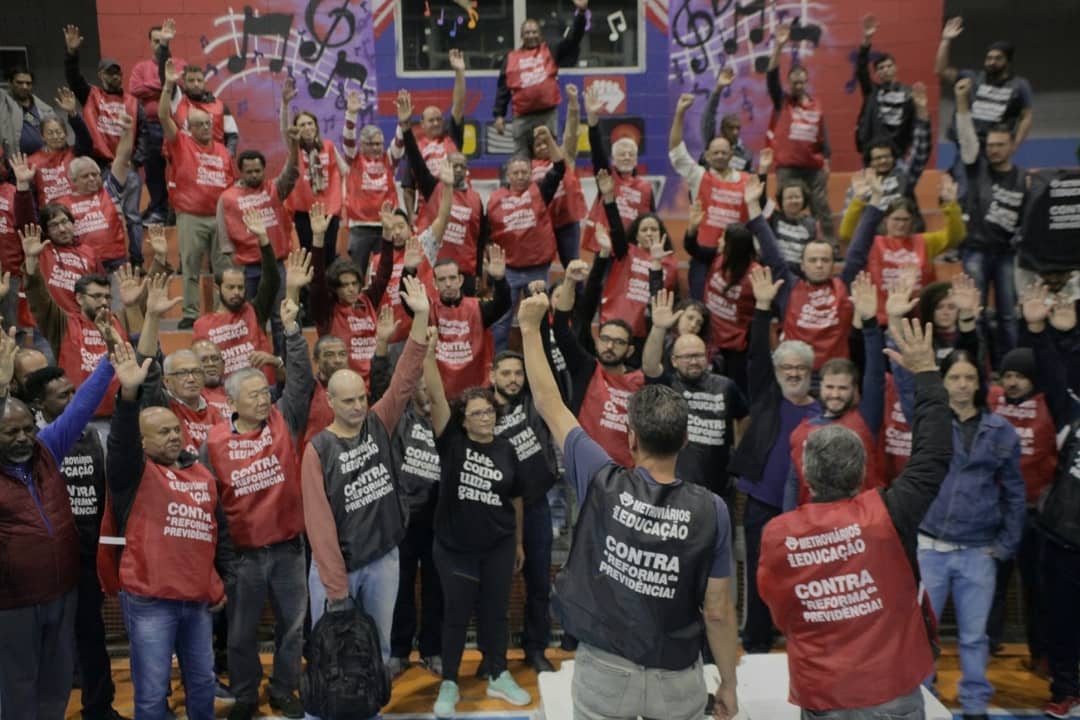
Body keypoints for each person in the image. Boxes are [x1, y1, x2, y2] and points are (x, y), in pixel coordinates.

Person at [519, 291, 740, 720]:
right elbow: (717, 611)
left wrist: (530, 328)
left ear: (632, 438)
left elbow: (549, 403)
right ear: (685, 440)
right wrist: (728, 684)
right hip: (676, 675)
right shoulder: (713, 510)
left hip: (605, 669)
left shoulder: (601, 480)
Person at [757, 317, 952, 718]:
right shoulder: (889, 513)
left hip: (822, 690)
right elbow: (933, 454)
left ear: (807, 474)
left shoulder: (778, 534)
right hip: (890, 689)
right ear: (862, 469)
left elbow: (781, 615)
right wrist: (927, 375)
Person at [300, 276, 432, 720]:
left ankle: (369, 713)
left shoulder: (379, 421)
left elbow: (406, 376)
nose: (358, 406)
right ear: (330, 401)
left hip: (383, 561)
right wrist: (337, 590)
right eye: (349, 401)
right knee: (331, 657)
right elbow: (320, 528)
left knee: (376, 652)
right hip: (336, 571)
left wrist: (421, 318)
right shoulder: (317, 450)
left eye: (361, 398)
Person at [891, 346, 1026, 720]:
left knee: (974, 636)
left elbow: (1016, 494)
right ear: (944, 382)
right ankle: (923, 696)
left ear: (980, 383)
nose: (962, 384)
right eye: (954, 377)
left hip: (978, 551)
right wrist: (906, 362)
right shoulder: (930, 422)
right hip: (930, 547)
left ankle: (975, 704)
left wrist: (1005, 546)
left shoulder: (1001, 431)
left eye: (969, 377)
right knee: (920, 633)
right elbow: (909, 395)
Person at [198, 287, 312, 720]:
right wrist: (220, 560)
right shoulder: (213, 442)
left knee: (293, 628)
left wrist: (292, 331)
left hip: (289, 549)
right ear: (232, 402)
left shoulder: (285, 419)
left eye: (265, 392)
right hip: (243, 558)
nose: (264, 399)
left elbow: (300, 380)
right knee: (241, 635)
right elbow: (209, 505)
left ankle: (284, 689)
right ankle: (246, 696)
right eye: (254, 395)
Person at [103, 341, 227, 720]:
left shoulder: (202, 473)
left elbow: (214, 535)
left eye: (175, 430)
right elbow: (121, 442)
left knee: (203, 683)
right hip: (150, 600)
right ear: (143, 442)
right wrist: (128, 396)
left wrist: (217, 582)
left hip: (196, 600)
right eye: (162, 432)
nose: (173, 436)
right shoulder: (132, 474)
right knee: (153, 693)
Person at [0, 329, 119, 720]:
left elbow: (80, 407)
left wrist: (110, 360)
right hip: (12, 604)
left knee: (56, 684)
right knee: (17, 688)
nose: (23, 438)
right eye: (10, 432)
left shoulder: (46, 449)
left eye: (27, 429)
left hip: (61, 595)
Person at [424, 331, 530, 718]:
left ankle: (497, 672)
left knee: (496, 612)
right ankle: (450, 681)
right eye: (477, 414)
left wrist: (517, 542)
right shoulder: (452, 443)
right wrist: (428, 354)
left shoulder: (506, 448)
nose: (485, 418)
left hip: (499, 545)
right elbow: (437, 396)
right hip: (455, 549)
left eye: (489, 412)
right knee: (456, 614)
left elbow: (515, 498)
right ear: (463, 420)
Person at [23, 363, 129, 720]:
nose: (72, 400)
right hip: (46, 558)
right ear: (39, 403)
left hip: (87, 553)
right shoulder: (33, 443)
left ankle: (99, 707)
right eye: (62, 396)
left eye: (73, 392)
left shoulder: (93, 437)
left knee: (91, 634)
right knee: (43, 641)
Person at [729, 265, 821, 654]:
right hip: (762, 505)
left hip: (808, 510)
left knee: (807, 577)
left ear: (810, 372)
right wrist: (763, 308)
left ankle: (803, 639)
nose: (794, 373)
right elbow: (755, 355)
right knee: (760, 572)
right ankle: (756, 640)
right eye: (787, 367)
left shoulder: (823, 412)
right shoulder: (767, 395)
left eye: (800, 368)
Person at [1020, 284, 1080, 718]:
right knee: (1061, 621)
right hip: (1064, 540)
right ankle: (1066, 691)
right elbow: (1056, 378)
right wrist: (1043, 331)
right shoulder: (1072, 419)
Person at [642, 288, 748, 526]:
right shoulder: (668, 384)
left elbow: (743, 415)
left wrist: (738, 449)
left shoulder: (726, 386)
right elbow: (649, 366)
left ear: (707, 357)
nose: (693, 361)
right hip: (674, 490)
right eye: (687, 356)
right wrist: (658, 328)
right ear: (674, 361)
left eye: (698, 355)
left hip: (719, 490)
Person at [783, 272, 886, 510]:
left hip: (858, 523)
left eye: (843, 388)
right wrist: (788, 521)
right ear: (820, 387)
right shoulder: (802, 430)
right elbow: (793, 483)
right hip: (814, 525)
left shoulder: (865, 418)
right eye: (830, 387)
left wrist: (870, 323)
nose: (836, 394)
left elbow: (875, 375)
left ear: (854, 390)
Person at [747, 173, 868, 373]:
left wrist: (871, 202)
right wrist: (752, 205)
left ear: (833, 265)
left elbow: (858, 251)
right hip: (795, 375)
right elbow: (771, 250)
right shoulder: (789, 286)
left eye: (825, 260)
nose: (819, 265)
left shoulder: (844, 285)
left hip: (835, 377)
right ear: (802, 265)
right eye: (813, 260)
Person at [375, 336, 443, 678]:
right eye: (420, 385)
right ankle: (399, 651)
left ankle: (432, 649)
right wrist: (383, 348)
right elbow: (384, 388)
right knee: (399, 588)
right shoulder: (399, 419)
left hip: (438, 521)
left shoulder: (446, 419)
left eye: (431, 385)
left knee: (435, 587)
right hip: (402, 519)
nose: (426, 390)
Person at [490, 349, 561, 673]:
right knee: (493, 588)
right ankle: (494, 655)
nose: (513, 379)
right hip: (495, 511)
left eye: (518, 373)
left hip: (535, 507)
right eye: (506, 373)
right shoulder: (481, 409)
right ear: (492, 375)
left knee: (539, 584)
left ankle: (536, 648)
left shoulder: (536, 403)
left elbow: (546, 372)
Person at [984, 347, 1054, 662]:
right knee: (991, 584)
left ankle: (1041, 652)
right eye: (1008, 375)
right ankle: (987, 646)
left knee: (1037, 587)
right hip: (994, 510)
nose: (1012, 383)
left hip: (1034, 513)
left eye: (1021, 377)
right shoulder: (992, 399)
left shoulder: (1049, 404)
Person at [21, 223, 130, 418]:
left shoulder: (118, 320)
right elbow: (39, 299)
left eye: (107, 297)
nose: (103, 302)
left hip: (118, 415)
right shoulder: (63, 323)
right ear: (79, 298)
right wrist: (31, 263)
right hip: (77, 419)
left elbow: (147, 339)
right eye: (96, 296)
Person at [160, 57, 236, 328]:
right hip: (191, 216)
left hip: (219, 217)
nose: (206, 127)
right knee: (190, 267)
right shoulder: (181, 143)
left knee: (223, 270)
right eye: (200, 124)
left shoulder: (223, 150)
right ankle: (191, 314)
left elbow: (232, 185)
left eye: (208, 123)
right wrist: (168, 86)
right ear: (189, 128)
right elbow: (163, 116)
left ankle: (222, 312)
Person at [956, 78, 1028, 362]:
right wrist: (961, 101)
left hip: (1008, 254)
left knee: (1009, 315)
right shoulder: (977, 168)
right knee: (976, 313)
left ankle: (1012, 368)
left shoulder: (1024, 179)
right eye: (990, 145)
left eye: (1000, 145)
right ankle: (978, 368)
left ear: (1012, 146)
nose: (993, 149)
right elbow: (966, 136)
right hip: (975, 250)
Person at [63, 23, 146, 266]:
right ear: (100, 75)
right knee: (97, 216)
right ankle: (94, 260)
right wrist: (72, 53)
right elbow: (73, 78)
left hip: (125, 167)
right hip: (98, 165)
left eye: (118, 73)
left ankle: (137, 261)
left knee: (133, 217)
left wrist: (136, 161)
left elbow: (145, 136)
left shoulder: (133, 102)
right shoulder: (90, 94)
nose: (115, 77)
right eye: (109, 73)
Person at [217, 111, 300, 355]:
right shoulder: (227, 198)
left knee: (281, 317)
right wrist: (233, 268)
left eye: (258, 171)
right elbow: (224, 239)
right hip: (247, 269)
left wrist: (294, 148)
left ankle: (283, 363)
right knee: (252, 319)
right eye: (249, 171)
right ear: (240, 172)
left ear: (264, 169)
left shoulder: (274, 190)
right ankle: (254, 361)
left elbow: (291, 172)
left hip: (275, 266)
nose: (254, 175)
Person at [551, 260, 645, 467]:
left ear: (629, 350)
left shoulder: (639, 380)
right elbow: (561, 328)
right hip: (583, 466)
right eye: (605, 339)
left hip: (625, 472)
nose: (610, 346)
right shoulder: (585, 368)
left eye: (618, 342)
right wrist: (569, 281)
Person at [844, 169, 964, 327]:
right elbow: (847, 234)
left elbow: (955, 237)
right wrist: (858, 200)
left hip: (919, 318)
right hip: (881, 318)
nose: (901, 224)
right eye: (896, 219)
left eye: (905, 220)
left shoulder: (925, 241)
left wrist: (950, 205)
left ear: (913, 221)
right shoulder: (873, 242)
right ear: (886, 220)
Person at [485, 123, 566, 352]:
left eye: (524, 172)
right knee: (501, 321)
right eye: (516, 173)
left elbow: (559, 167)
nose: (520, 176)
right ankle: (500, 362)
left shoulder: (540, 191)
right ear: (508, 175)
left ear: (531, 173)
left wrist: (549, 139)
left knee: (541, 320)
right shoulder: (495, 200)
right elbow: (486, 234)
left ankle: (543, 361)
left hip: (537, 269)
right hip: (509, 270)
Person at [670, 88, 751, 299]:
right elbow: (676, 151)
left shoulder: (746, 181)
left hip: (735, 256)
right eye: (715, 153)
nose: (720, 156)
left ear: (732, 155)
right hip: (703, 254)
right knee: (698, 305)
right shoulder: (698, 176)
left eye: (724, 152)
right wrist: (679, 113)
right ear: (707, 155)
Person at [191, 224, 297, 384]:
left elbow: (272, 280)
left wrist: (264, 241)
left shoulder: (254, 311)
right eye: (230, 287)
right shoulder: (202, 325)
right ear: (217, 289)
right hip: (226, 392)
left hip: (262, 388)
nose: (236, 292)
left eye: (240, 287)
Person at [401, 95, 485, 295]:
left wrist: (479, 272)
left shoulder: (476, 199)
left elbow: (480, 239)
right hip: (438, 270)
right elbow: (416, 161)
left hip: (465, 271)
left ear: (467, 170)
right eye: (453, 165)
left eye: (461, 166)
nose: (457, 169)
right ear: (444, 166)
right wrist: (405, 127)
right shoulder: (432, 189)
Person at [310, 201, 400, 380]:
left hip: (373, 380)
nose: (351, 289)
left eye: (354, 283)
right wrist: (318, 238)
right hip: (343, 383)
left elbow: (384, 273)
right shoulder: (326, 310)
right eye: (344, 285)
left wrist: (387, 233)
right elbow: (318, 280)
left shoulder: (367, 300)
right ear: (334, 288)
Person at [408, 247, 511, 401]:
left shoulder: (479, 308)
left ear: (460, 280)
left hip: (478, 394)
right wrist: (408, 270)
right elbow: (407, 302)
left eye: (452, 278)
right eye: (442, 280)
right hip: (441, 397)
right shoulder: (426, 310)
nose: (448, 284)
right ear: (434, 283)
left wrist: (500, 280)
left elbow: (503, 304)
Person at [492, 0, 588, 158]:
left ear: (540, 34)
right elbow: (503, 88)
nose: (531, 35)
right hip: (522, 118)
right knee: (521, 159)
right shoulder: (511, 58)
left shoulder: (550, 50)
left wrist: (581, 14)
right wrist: (499, 116)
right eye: (527, 33)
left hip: (547, 115)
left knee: (550, 158)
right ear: (522, 36)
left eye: (534, 32)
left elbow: (573, 39)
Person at [683, 201, 759, 392]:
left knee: (732, 394)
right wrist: (692, 229)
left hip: (735, 349)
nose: (719, 240)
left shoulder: (756, 274)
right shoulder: (719, 257)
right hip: (709, 339)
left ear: (734, 246)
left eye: (723, 238)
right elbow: (694, 250)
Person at [767, 23, 834, 240]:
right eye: (794, 83)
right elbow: (771, 77)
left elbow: (822, 134)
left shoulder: (816, 105)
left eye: (801, 82)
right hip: (788, 168)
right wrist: (778, 47)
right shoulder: (783, 101)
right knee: (788, 207)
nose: (798, 86)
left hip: (813, 167)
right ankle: (786, 244)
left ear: (806, 82)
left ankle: (829, 246)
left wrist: (827, 160)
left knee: (820, 207)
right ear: (789, 83)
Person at [842, 84, 932, 241]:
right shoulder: (860, 183)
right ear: (869, 162)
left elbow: (920, 152)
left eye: (887, 157)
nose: (883, 161)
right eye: (878, 158)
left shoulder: (904, 176)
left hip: (905, 240)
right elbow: (848, 221)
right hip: (874, 243)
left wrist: (922, 114)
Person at [279, 76, 348, 273]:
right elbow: (284, 130)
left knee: (328, 256)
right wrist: (285, 104)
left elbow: (345, 172)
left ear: (316, 126)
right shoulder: (294, 149)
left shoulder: (328, 146)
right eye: (301, 125)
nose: (307, 128)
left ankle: (328, 290)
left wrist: (341, 199)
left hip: (329, 211)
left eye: (310, 123)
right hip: (304, 213)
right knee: (309, 256)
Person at [935, 16, 1034, 150]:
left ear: (1008, 61)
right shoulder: (972, 77)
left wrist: (1015, 144)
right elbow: (941, 70)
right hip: (968, 144)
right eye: (989, 58)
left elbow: (1026, 117)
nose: (992, 62)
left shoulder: (1019, 85)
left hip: (996, 145)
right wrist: (946, 40)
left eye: (998, 58)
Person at [580, 84, 655, 253]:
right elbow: (597, 150)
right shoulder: (606, 177)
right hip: (606, 247)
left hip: (632, 250)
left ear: (636, 159)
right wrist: (592, 119)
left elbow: (653, 220)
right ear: (613, 159)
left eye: (631, 154)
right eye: (622, 154)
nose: (627, 157)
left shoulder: (646, 188)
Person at [343, 89, 404, 278]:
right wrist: (351, 114)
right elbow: (348, 140)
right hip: (360, 226)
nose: (377, 147)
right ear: (362, 145)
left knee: (385, 272)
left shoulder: (389, 160)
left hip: (386, 225)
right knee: (357, 273)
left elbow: (400, 142)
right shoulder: (354, 159)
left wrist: (402, 121)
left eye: (379, 143)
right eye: (371, 144)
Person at [402, 48, 465, 222]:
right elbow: (408, 187)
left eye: (439, 119)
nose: (436, 123)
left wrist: (459, 72)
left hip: (456, 205)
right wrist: (411, 215)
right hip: (427, 209)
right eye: (431, 120)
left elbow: (458, 105)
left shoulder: (452, 136)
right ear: (422, 124)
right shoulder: (415, 150)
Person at [158, 19, 238, 154]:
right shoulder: (178, 99)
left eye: (199, 80)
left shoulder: (220, 106)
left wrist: (226, 157)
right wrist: (164, 46)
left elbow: (232, 135)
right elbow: (166, 75)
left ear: (204, 82)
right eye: (191, 80)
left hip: (214, 161)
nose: (195, 83)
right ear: (184, 83)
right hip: (185, 159)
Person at [128, 20, 178, 224]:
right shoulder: (140, 67)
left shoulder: (177, 63)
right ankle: (158, 209)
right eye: (156, 41)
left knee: (178, 169)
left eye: (162, 40)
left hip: (173, 126)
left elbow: (176, 87)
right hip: (149, 126)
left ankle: (176, 209)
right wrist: (162, 85)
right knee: (153, 171)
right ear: (150, 43)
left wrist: (152, 87)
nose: (159, 44)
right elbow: (134, 89)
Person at [531, 85, 585, 268]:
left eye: (546, 142)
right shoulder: (527, 167)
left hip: (567, 222)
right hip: (542, 223)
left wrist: (573, 103)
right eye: (537, 144)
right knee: (540, 265)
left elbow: (571, 133)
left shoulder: (565, 156)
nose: (542, 146)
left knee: (573, 265)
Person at [854, 14, 916, 157]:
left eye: (889, 66)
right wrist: (867, 39)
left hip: (897, 153)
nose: (886, 70)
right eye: (881, 68)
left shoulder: (908, 93)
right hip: (872, 152)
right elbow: (861, 68)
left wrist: (909, 148)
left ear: (895, 68)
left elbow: (913, 123)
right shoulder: (872, 91)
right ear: (877, 73)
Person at [26, 87, 93, 207]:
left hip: (77, 209)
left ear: (66, 134)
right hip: (49, 214)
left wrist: (73, 113)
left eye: (59, 132)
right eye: (50, 133)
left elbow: (85, 139)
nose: (56, 136)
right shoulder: (31, 162)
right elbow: (30, 197)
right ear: (42, 136)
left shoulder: (75, 153)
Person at [0, 66, 67, 156]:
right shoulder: (3, 103)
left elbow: (60, 137)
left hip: (46, 161)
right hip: (16, 162)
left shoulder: (45, 109)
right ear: (10, 82)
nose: (24, 86)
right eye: (19, 82)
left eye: (28, 83)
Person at [700, 67, 754, 172]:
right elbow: (708, 119)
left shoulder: (746, 155)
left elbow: (748, 178)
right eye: (731, 128)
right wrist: (718, 89)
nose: (735, 132)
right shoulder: (712, 144)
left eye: (738, 128)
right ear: (722, 130)